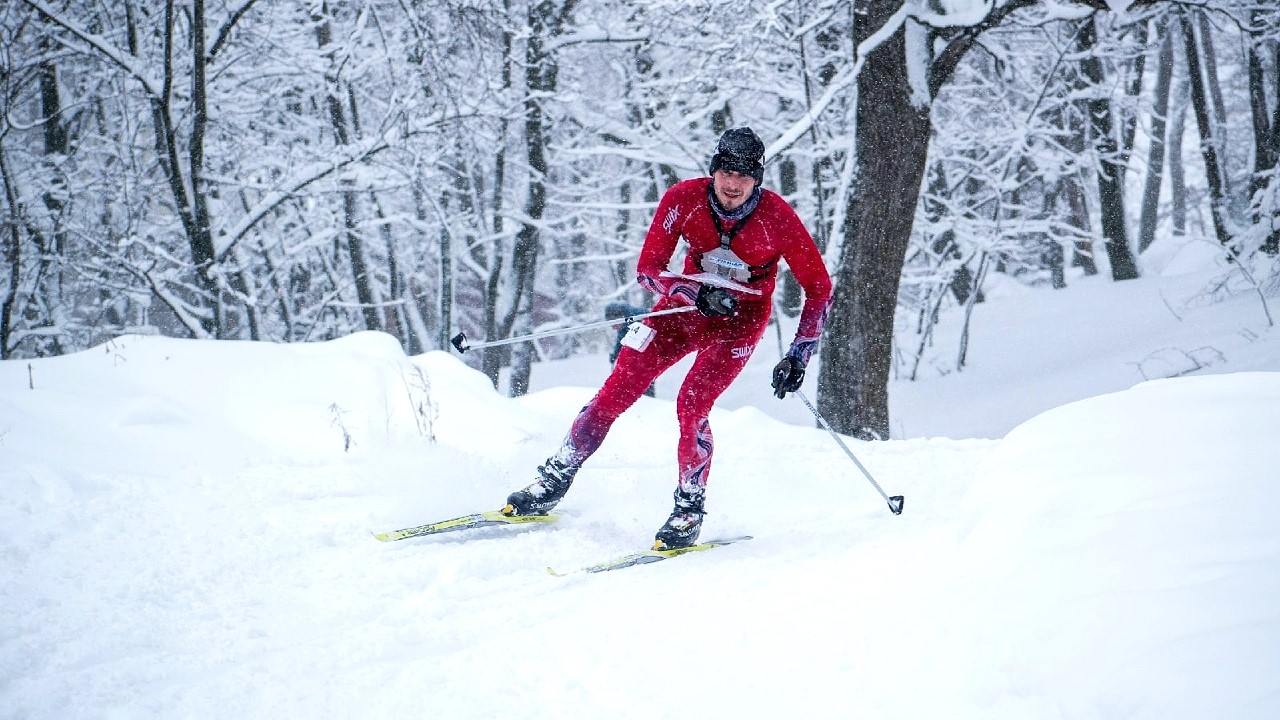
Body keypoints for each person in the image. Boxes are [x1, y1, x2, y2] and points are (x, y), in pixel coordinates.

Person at [501, 127, 832, 549]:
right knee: (616, 390)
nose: (732, 184)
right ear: (714, 170)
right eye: (726, 172)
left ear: (758, 179)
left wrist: (799, 355)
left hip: (741, 320)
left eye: (744, 176)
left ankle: (688, 509)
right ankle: (553, 479)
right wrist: (694, 292)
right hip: (683, 308)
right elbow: (648, 269)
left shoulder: (778, 219)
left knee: (692, 404)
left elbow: (819, 288)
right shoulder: (683, 199)